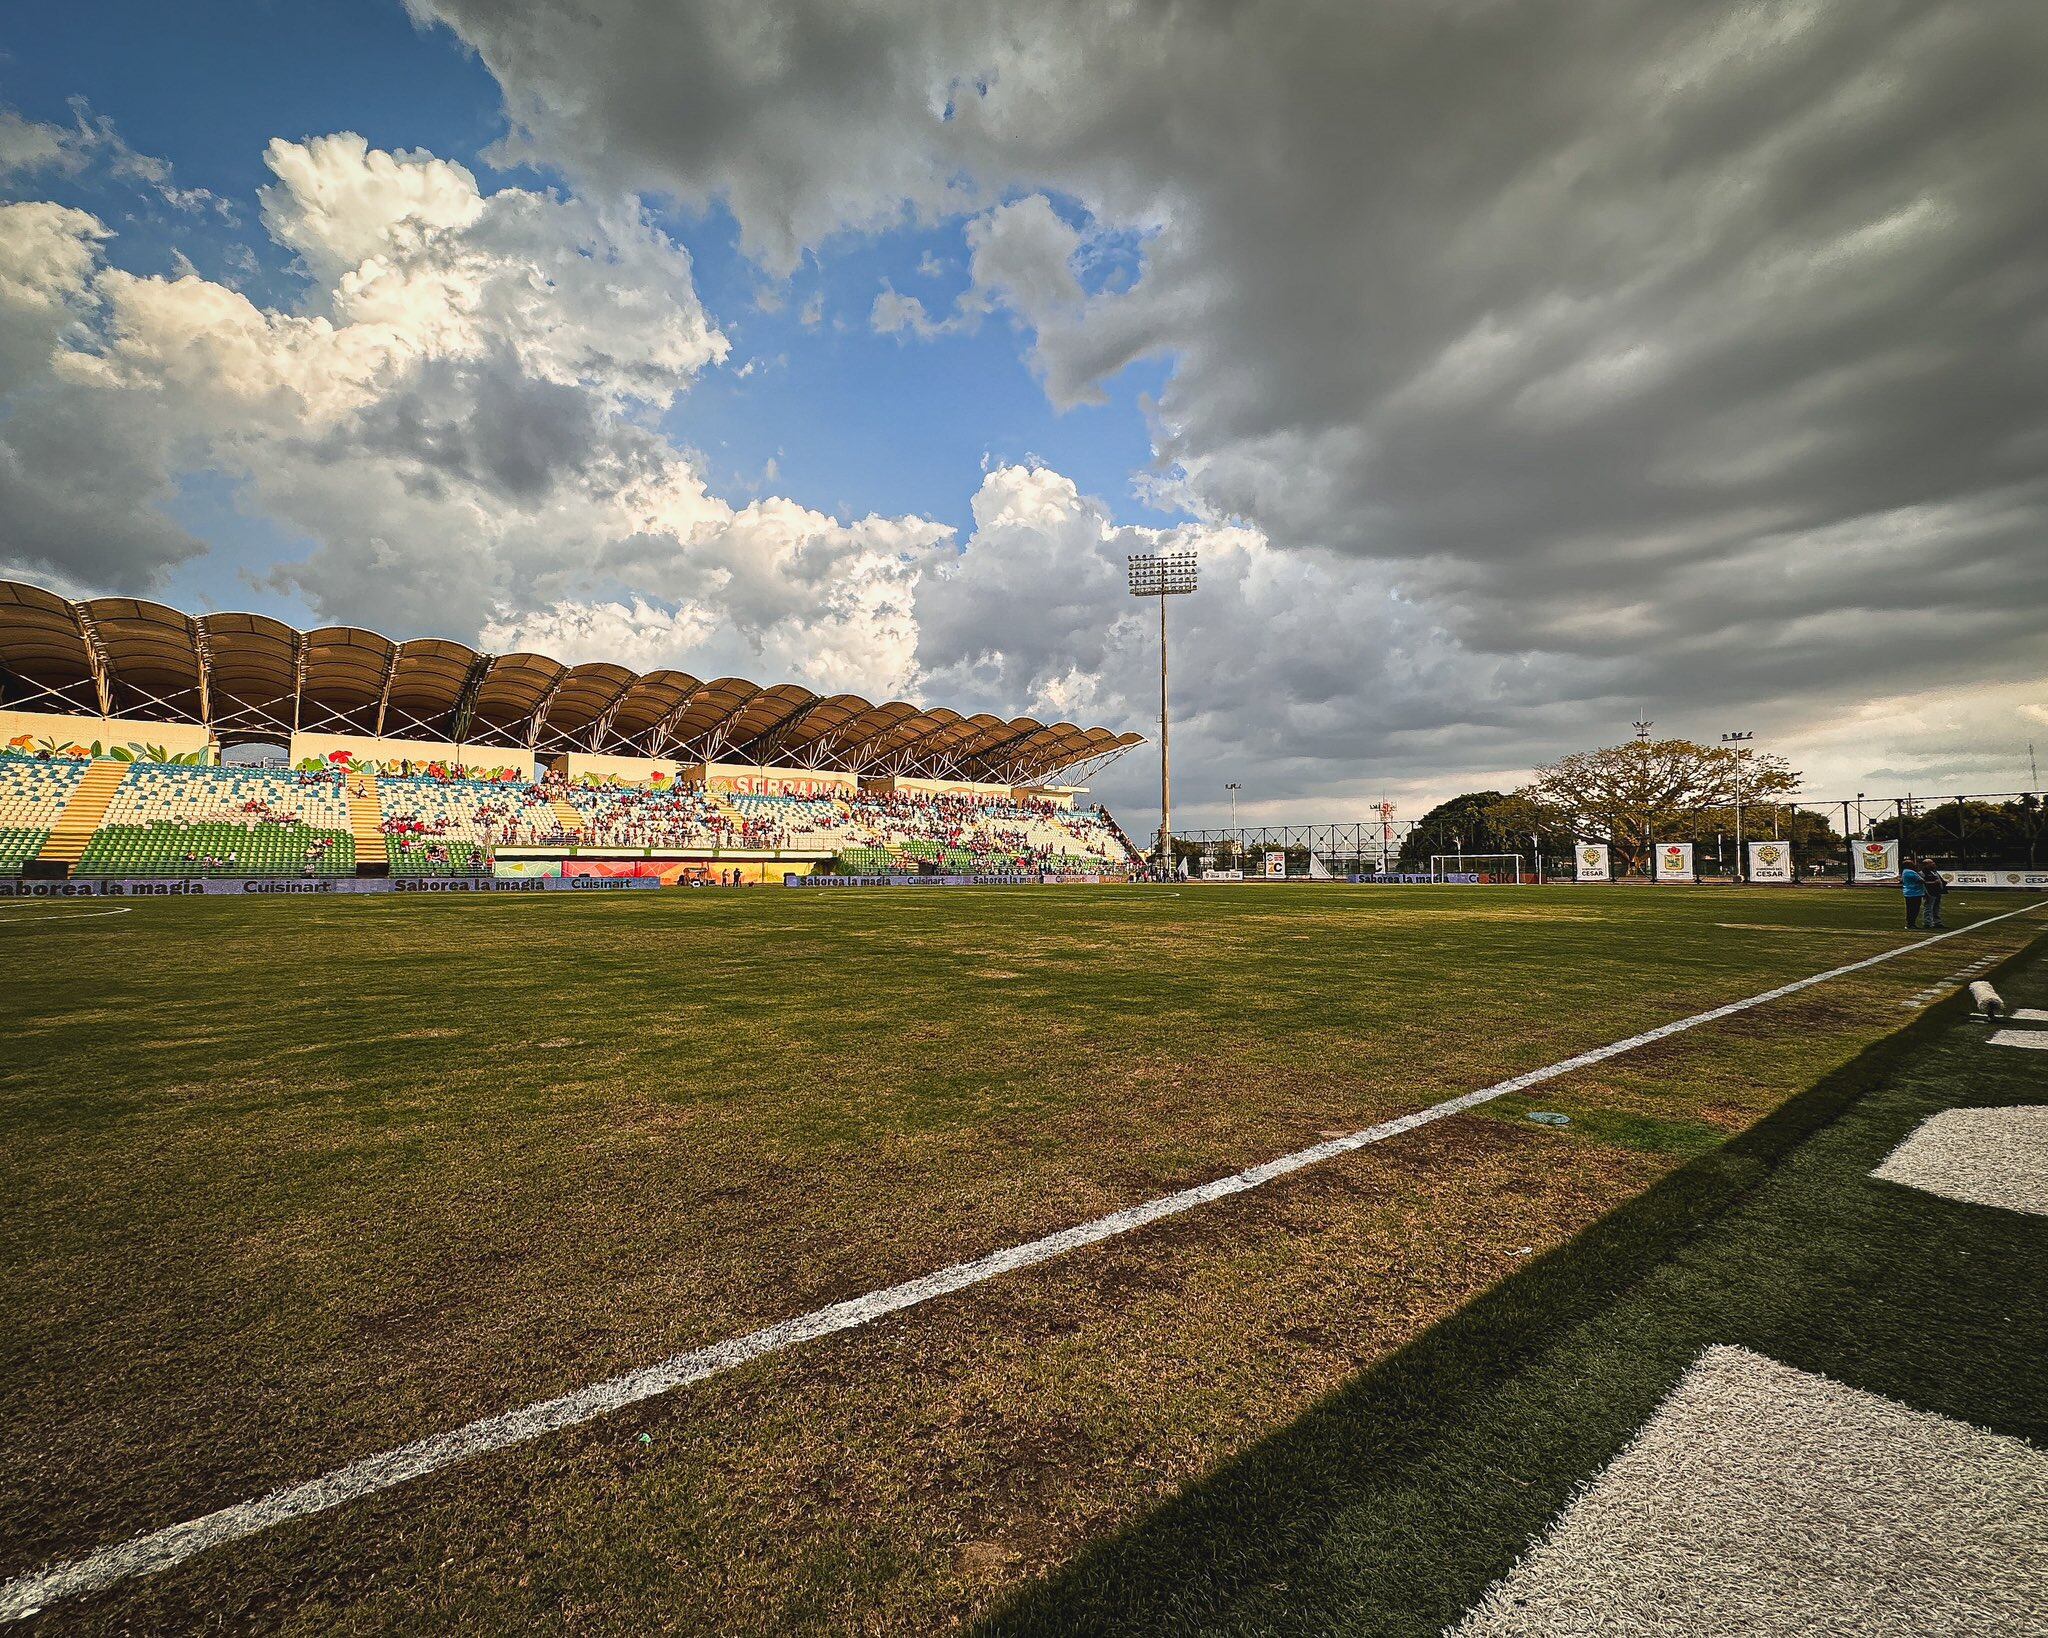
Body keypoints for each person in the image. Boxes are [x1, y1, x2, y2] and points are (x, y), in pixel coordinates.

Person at [1922, 860, 1948, 929]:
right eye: (1931, 863)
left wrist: (1943, 882)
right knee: (1928, 908)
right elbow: (1923, 882)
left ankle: (1937, 922)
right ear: (1926, 864)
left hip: (1937, 892)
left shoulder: (1934, 872)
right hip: (1930, 892)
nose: (1934, 864)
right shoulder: (1923, 872)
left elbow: (1939, 879)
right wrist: (1934, 882)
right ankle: (1927, 923)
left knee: (1936, 908)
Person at [1901, 857, 1925, 929]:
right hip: (1914, 892)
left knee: (1911, 909)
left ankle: (1911, 923)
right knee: (1914, 909)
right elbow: (1920, 880)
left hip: (1910, 892)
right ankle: (1911, 923)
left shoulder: (1905, 871)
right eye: (1912, 863)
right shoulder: (1910, 872)